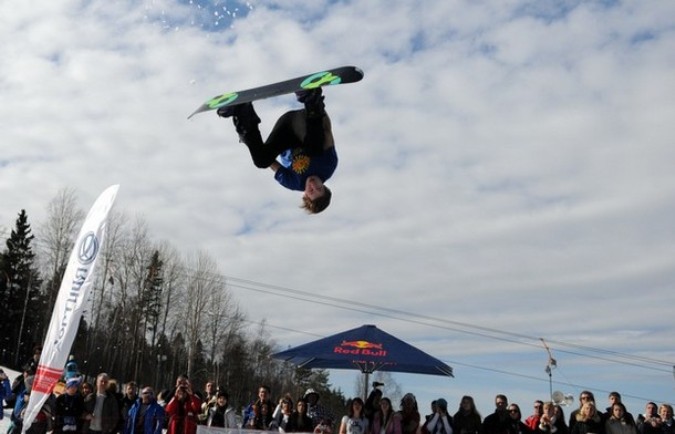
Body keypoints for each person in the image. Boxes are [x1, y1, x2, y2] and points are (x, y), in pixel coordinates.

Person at [217, 88, 336, 214]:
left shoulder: (292, 182)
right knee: (315, 148)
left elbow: (270, 163)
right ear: (324, 186)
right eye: (319, 188)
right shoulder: (328, 166)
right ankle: (310, 97)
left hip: (284, 132)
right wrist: (318, 109)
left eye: (311, 191)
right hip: (301, 123)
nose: (313, 184)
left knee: (261, 161)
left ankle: (242, 112)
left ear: (305, 195)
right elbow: (327, 130)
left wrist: (255, 147)